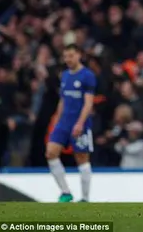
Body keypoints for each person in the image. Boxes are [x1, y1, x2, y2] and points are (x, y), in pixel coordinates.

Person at [46, 44, 97, 203]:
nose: (67, 59)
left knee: (82, 158)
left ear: (79, 55)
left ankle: (85, 198)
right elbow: (63, 99)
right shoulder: (66, 75)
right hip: (64, 122)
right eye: (65, 56)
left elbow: (88, 103)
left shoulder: (87, 76)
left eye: (71, 55)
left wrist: (80, 123)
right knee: (51, 153)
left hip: (79, 123)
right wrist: (56, 118)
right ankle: (65, 192)